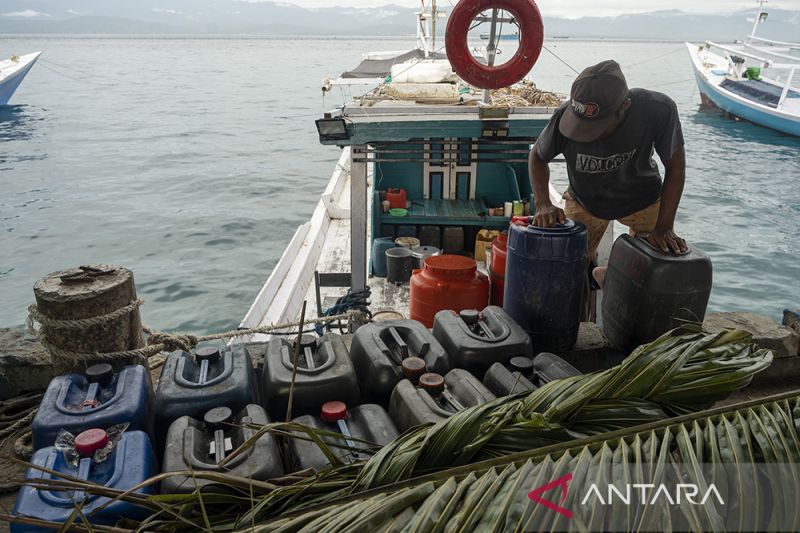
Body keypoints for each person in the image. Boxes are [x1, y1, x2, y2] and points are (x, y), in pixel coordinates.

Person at [529, 59, 688, 286]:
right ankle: (589, 289)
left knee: (658, 267)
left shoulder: (658, 109)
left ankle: (608, 274)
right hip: (585, 199)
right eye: (580, 124)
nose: (587, 134)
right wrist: (543, 203)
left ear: (624, 106)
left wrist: (665, 227)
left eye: (597, 126)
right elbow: (537, 156)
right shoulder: (562, 117)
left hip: (643, 198)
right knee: (567, 268)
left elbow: (676, 167)